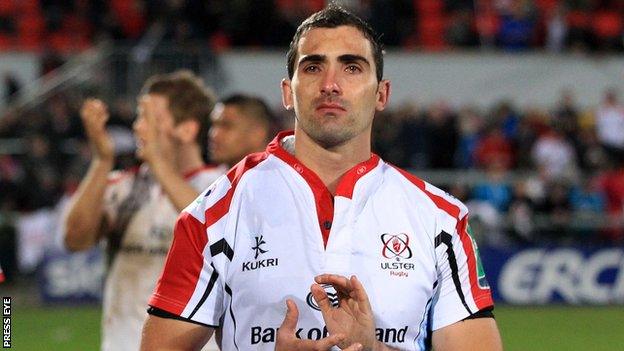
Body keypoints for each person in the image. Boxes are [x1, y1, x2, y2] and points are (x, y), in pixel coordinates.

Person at [142, 5, 502, 351]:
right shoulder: (212, 215)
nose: (331, 84)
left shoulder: (441, 220)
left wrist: (371, 349)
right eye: (313, 67)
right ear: (287, 92)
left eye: (352, 68)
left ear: (381, 94)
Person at [63, 70, 222, 351]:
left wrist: (158, 162)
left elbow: (211, 231)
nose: (139, 128)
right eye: (139, 117)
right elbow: (75, 240)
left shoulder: (223, 185)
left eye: (151, 119)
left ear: (187, 129)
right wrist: (102, 161)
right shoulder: (124, 186)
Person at [209, 94, 279, 168]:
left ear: (257, 133)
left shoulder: (283, 176)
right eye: (213, 125)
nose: (214, 134)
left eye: (226, 126)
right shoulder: (214, 178)